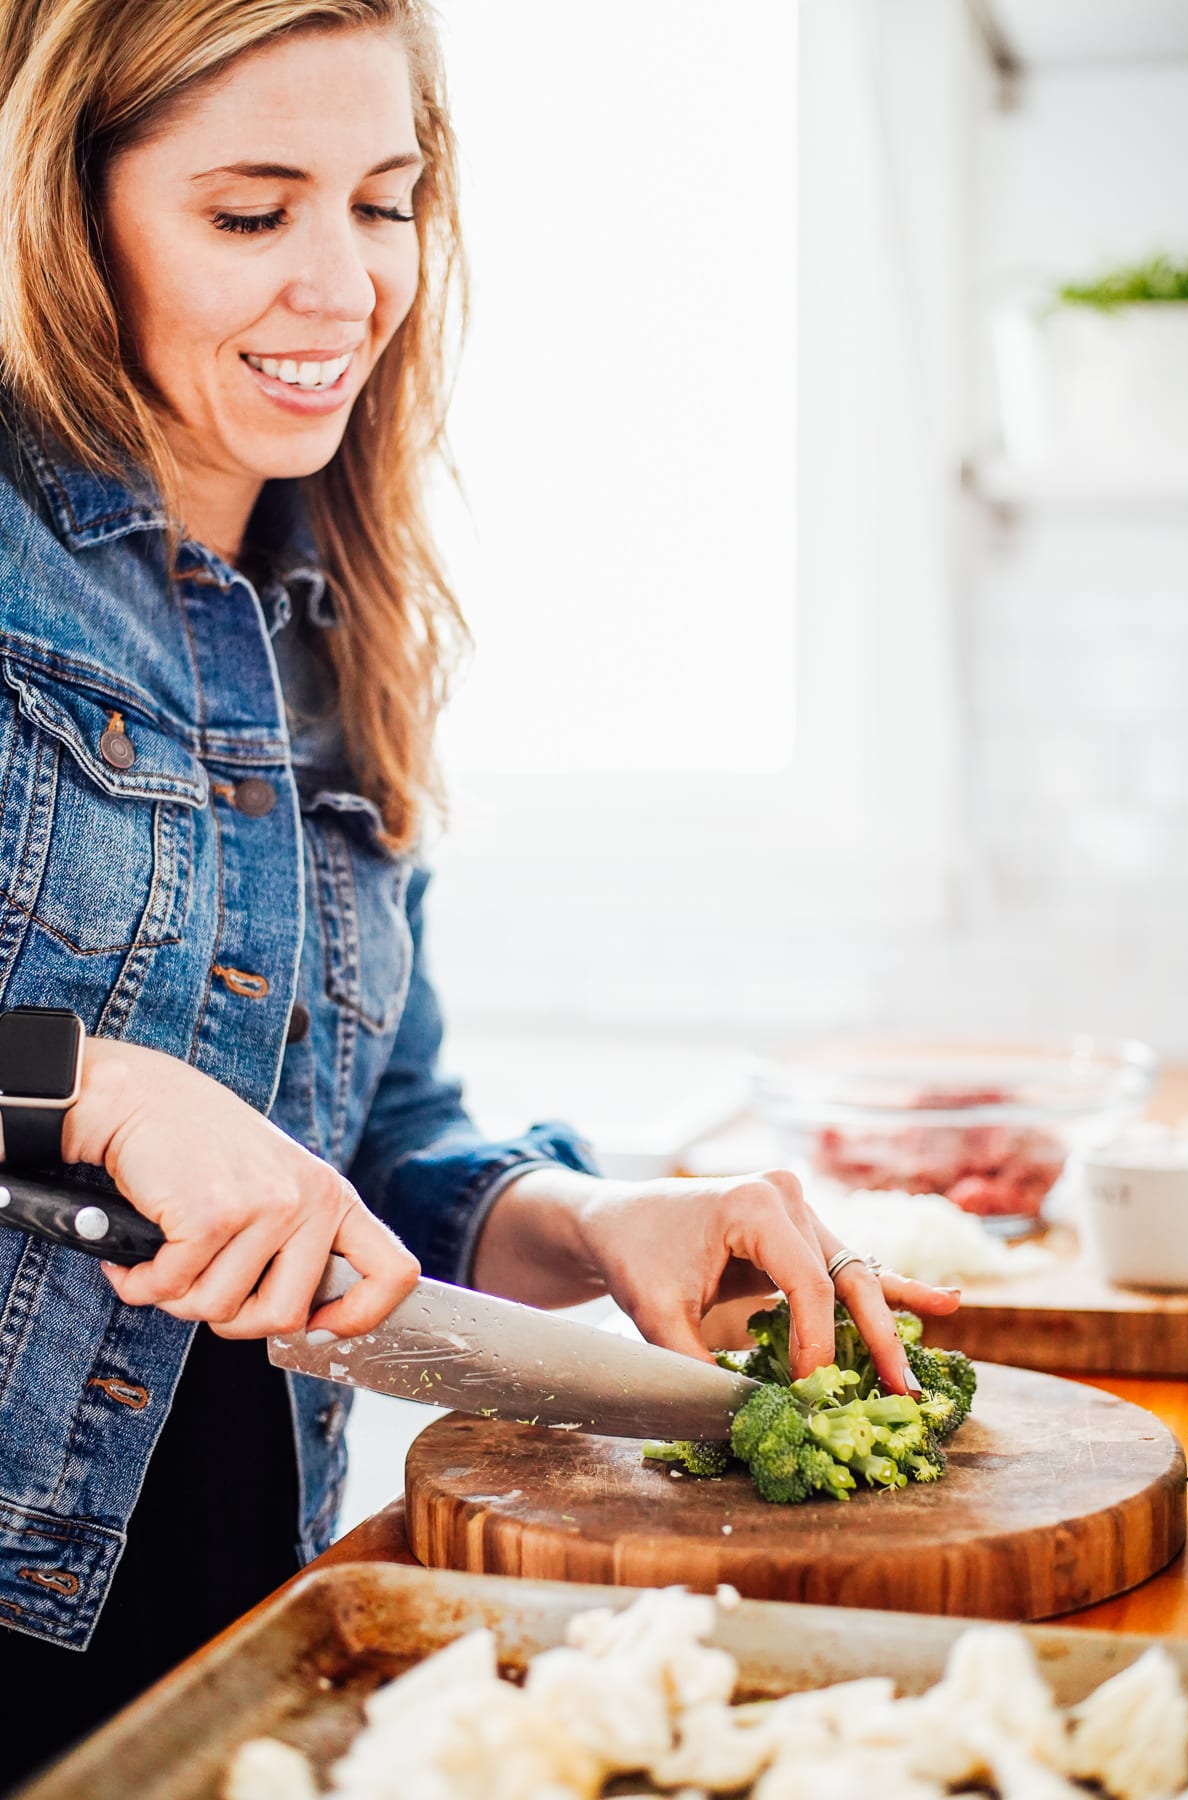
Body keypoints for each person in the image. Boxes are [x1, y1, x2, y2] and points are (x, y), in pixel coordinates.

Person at [0, 0, 960, 1785]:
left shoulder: (334, 625)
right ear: (69, 211)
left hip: (236, 1621)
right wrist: (95, 1090)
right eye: (248, 211)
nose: (347, 284)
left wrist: (593, 1222)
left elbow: (376, 1141)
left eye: (385, 201)